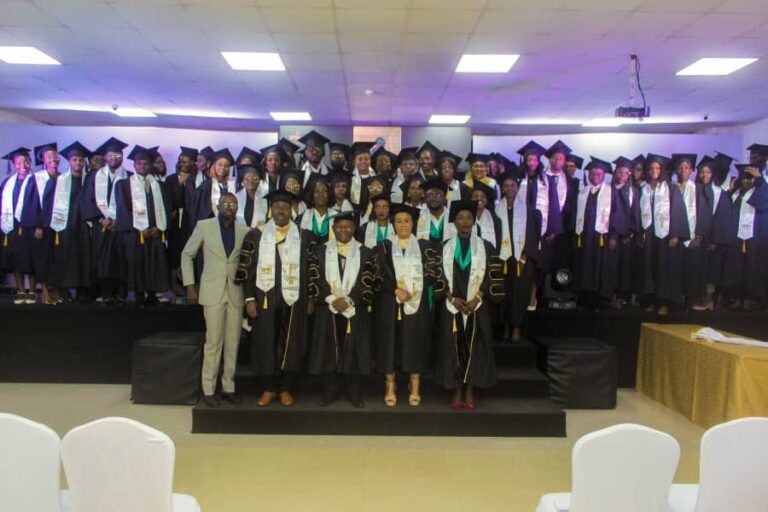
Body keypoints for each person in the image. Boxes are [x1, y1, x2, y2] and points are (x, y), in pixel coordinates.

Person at [237, 190, 313, 407]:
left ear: (291, 211)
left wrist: (310, 298)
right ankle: (269, 388)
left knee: (291, 342)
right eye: (277, 207)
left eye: (286, 207)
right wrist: (249, 299)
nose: (281, 211)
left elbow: (312, 269)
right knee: (266, 341)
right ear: (271, 209)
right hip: (265, 297)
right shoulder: (256, 235)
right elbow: (247, 269)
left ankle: (285, 387)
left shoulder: (304, 236)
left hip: (295, 298)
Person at [371, 203, 445, 407]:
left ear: (413, 224)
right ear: (393, 224)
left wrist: (415, 288)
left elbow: (433, 273)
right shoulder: (383, 247)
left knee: (416, 340)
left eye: (406, 221)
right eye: (398, 221)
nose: (403, 225)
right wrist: (395, 289)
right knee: (389, 341)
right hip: (389, 302)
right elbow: (376, 275)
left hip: (417, 300)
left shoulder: (425, 247)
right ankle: (390, 384)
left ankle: (415, 383)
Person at [182, 192, 249, 408]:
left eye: (233, 205)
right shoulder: (205, 226)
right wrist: (190, 285)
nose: (229, 208)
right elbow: (187, 254)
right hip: (212, 292)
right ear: (218, 207)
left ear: (237, 208)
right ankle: (209, 390)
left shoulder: (244, 230)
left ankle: (229, 387)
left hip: (235, 292)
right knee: (213, 342)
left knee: (233, 342)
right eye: (225, 204)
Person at [436, 200, 504, 409]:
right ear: (454, 223)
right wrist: (451, 298)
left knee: (476, 347)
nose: (465, 221)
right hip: (452, 306)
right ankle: (456, 388)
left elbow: (493, 275)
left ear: (474, 221)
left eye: (469, 218)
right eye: (460, 218)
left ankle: (470, 389)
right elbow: (437, 277)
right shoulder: (444, 247)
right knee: (453, 347)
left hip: (477, 306)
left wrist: (478, 298)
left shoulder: (486, 247)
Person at [308, 211, 377, 408]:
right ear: (333, 229)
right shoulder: (320, 251)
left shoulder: (365, 252)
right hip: (327, 309)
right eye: (339, 226)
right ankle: (330, 391)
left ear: (354, 228)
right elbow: (314, 277)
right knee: (329, 350)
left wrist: (349, 299)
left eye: (347, 226)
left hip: (354, 309)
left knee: (353, 350)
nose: (343, 230)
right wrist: (331, 298)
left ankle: (354, 392)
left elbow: (368, 281)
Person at [114, 145, 170, 306]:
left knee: (154, 263)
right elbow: (123, 210)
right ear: (134, 165)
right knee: (137, 263)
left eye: (146, 164)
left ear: (151, 165)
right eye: (139, 163)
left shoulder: (160, 186)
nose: (142, 166)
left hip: (155, 232)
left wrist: (159, 227)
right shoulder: (124, 185)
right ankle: (139, 295)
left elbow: (166, 208)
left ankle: (152, 294)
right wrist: (137, 229)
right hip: (135, 234)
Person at [638, 154, 690, 315]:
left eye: (658, 168)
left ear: (662, 170)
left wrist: (675, 234)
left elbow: (678, 211)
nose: (654, 170)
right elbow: (638, 213)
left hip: (665, 235)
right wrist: (640, 234)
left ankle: (664, 302)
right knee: (649, 268)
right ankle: (652, 300)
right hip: (649, 235)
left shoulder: (671, 188)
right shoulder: (644, 189)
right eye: (651, 168)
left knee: (664, 269)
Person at [81, 136, 131, 304]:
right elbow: (87, 200)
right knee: (102, 260)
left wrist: (120, 220)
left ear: (122, 157)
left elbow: (133, 203)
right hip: (101, 226)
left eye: (118, 155)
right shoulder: (94, 176)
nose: (114, 157)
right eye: (111, 155)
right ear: (105, 157)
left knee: (121, 259)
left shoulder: (129, 177)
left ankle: (121, 292)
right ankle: (105, 292)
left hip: (121, 227)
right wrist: (101, 218)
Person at [496, 171, 540, 342]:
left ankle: (516, 327)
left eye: (512, 185)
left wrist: (525, 255)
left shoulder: (529, 211)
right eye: (506, 186)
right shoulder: (496, 210)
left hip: (523, 259)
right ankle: (505, 326)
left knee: (520, 294)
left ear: (517, 188)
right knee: (504, 293)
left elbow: (533, 235)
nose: (509, 189)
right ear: (502, 189)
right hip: (503, 259)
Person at [46, 141, 92, 302]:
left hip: (84, 224)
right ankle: (64, 290)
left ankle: (83, 291)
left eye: (81, 160)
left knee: (84, 255)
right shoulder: (60, 180)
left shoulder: (90, 179)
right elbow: (50, 203)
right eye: (74, 160)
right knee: (66, 255)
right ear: (69, 162)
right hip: (65, 223)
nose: (78, 163)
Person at [722, 164, 768, 311]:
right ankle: (736, 297)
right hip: (737, 237)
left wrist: (760, 179)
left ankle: (749, 299)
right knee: (736, 268)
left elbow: (764, 200)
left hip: (754, 238)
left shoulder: (759, 193)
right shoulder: (736, 194)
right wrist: (729, 191)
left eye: (749, 179)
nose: (746, 181)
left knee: (752, 268)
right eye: (744, 178)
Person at [572, 157, 617, 310]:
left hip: (601, 237)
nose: (595, 176)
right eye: (592, 173)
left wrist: (613, 236)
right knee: (584, 267)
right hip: (584, 237)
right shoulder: (582, 192)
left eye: (598, 174)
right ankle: (584, 299)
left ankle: (601, 300)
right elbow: (575, 215)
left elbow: (617, 215)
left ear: (604, 175)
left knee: (600, 268)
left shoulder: (611, 192)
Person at [670, 154, 712, 310]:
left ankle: (690, 302)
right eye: (680, 168)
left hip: (693, 238)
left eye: (686, 168)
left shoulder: (699, 189)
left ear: (691, 171)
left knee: (691, 272)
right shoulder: (669, 188)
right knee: (675, 272)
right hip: (674, 238)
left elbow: (705, 214)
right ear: (675, 170)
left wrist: (699, 237)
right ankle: (675, 302)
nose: (683, 170)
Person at [693, 154, 735, 310]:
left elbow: (721, 219)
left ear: (713, 174)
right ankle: (698, 297)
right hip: (695, 237)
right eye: (702, 172)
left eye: (708, 172)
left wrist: (713, 240)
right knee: (696, 269)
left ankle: (709, 299)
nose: (704, 175)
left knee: (711, 270)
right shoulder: (693, 189)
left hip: (711, 239)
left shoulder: (719, 193)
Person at [1, 147, 41, 304]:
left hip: (30, 226)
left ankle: (32, 291)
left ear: (30, 163)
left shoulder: (36, 181)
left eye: (26, 162)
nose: (23, 165)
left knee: (31, 259)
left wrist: (39, 225)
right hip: (12, 226)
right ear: (13, 165)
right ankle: (20, 290)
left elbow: (41, 205)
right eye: (18, 163)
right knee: (16, 258)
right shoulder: (7, 183)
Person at [610, 156, 641, 309]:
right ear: (615, 173)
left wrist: (629, 234)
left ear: (630, 175)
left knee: (625, 268)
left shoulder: (633, 191)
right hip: (610, 234)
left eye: (626, 173)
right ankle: (610, 295)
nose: (622, 175)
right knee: (611, 266)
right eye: (620, 172)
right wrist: (613, 235)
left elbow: (636, 214)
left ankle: (622, 297)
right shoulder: (608, 190)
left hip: (627, 237)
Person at [32, 142, 60, 305]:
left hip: (60, 225)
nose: (52, 158)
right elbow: (33, 203)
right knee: (43, 258)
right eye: (48, 157)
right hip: (43, 226)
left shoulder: (63, 177)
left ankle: (56, 289)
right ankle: (44, 290)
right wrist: (38, 225)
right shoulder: (37, 178)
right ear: (43, 160)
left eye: (55, 155)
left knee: (58, 258)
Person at [191, 148, 237, 227]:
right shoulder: (206, 186)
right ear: (214, 165)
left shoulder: (231, 185)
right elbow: (201, 212)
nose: (223, 168)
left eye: (226, 166)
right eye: (220, 165)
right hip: (211, 227)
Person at [298, 175, 333, 244]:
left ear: (329, 194)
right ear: (311, 195)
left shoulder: (337, 217)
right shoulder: (301, 218)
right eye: (317, 191)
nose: (321, 194)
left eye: (324, 191)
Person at [235, 165, 268, 230]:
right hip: (241, 231)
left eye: (255, 179)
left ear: (259, 181)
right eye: (247, 179)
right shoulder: (236, 198)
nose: (251, 182)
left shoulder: (265, 197)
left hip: (260, 232)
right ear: (242, 182)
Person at [471, 182, 501, 249]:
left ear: (487, 200)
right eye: (475, 196)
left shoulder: (495, 220)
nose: (479, 199)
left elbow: (498, 244)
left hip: (489, 253)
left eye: (483, 197)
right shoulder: (464, 218)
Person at [349, 141, 376, 209]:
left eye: (366, 159)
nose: (363, 161)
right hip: (355, 212)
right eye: (360, 159)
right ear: (355, 161)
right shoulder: (350, 179)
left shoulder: (376, 179)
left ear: (370, 160)